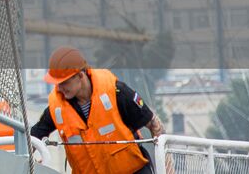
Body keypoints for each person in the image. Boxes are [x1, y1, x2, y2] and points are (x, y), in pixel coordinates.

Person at [32, 46, 163, 173]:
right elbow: (34, 136)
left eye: (64, 82)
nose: (59, 88)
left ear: (80, 75)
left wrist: (166, 167)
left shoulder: (117, 93)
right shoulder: (57, 109)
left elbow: (154, 125)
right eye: (57, 83)